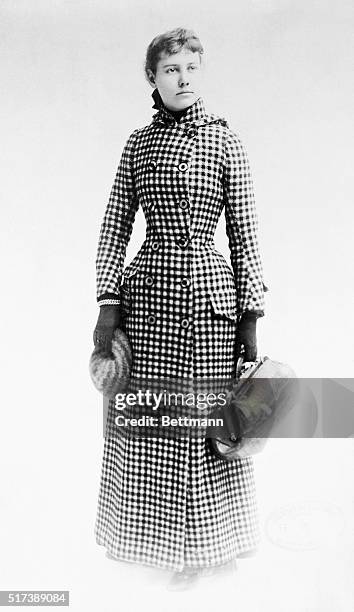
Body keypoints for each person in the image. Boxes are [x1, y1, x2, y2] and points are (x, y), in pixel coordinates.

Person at [93, 26, 268, 589]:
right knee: (153, 424)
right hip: (147, 304)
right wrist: (107, 303)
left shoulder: (225, 141)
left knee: (211, 428)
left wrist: (250, 317)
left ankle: (211, 552)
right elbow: (114, 225)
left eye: (191, 67)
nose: (183, 78)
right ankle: (155, 551)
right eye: (170, 69)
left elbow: (244, 234)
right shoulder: (137, 145)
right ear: (152, 78)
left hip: (211, 305)